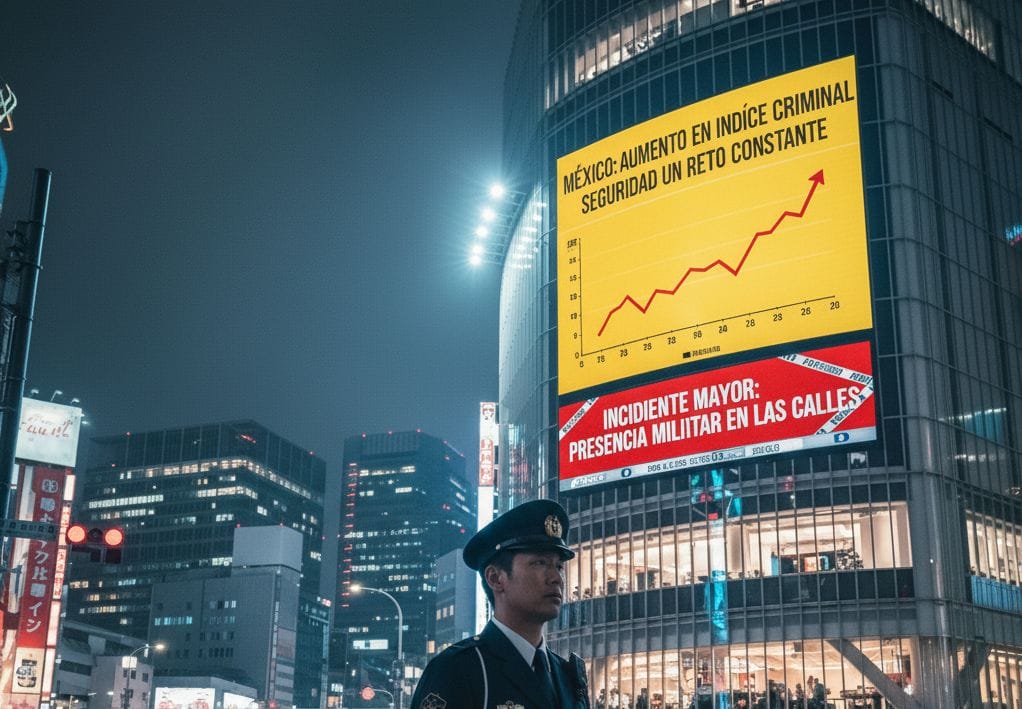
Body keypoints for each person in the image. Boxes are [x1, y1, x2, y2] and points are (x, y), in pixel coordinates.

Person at [410, 499, 590, 708]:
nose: (556, 578)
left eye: (558, 566)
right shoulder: (459, 668)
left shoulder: (567, 675)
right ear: (495, 578)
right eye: (539, 563)